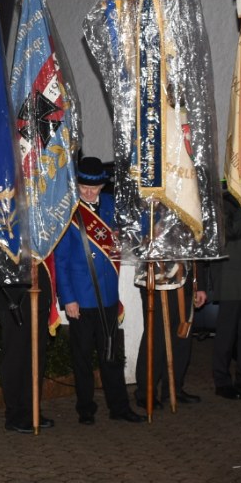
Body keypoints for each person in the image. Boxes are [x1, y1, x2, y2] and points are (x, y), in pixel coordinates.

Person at [53, 157, 142, 424]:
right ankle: (86, 409)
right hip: (80, 299)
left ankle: (119, 408)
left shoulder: (112, 205)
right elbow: (61, 261)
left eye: (94, 188)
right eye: (84, 187)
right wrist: (68, 299)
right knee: (82, 358)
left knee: (111, 355)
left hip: (108, 295)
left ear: (102, 186)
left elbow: (130, 233)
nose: (89, 193)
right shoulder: (68, 211)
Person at [135, 257, 206, 408]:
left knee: (182, 339)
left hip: (185, 280)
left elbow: (197, 250)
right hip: (158, 279)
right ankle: (146, 392)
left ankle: (174, 389)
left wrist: (199, 285)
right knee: (156, 338)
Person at [0, 258, 56, 432]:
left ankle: (31, 409)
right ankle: (15, 414)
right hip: (14, 294)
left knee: (36, 356)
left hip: (39, 290)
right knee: (16, 355)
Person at [208, 191, 241, 398]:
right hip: (230, 280)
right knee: (226, 336)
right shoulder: (223, 203)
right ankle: (222, 382)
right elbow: (231, 231)